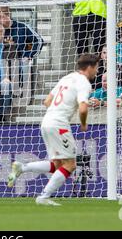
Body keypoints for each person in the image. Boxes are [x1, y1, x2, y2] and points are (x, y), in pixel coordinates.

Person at [7, 53, 100, 206]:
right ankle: (43, 197)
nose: (97, 71)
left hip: (47, 121)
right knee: (70, 164)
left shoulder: (67, 78)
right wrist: (83, 124)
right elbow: (83, 109)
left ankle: (22, 167)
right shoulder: (84, 83)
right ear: (90, 67)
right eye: (96, 67)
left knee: (57, 164)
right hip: (59, 124)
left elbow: (47, 101)